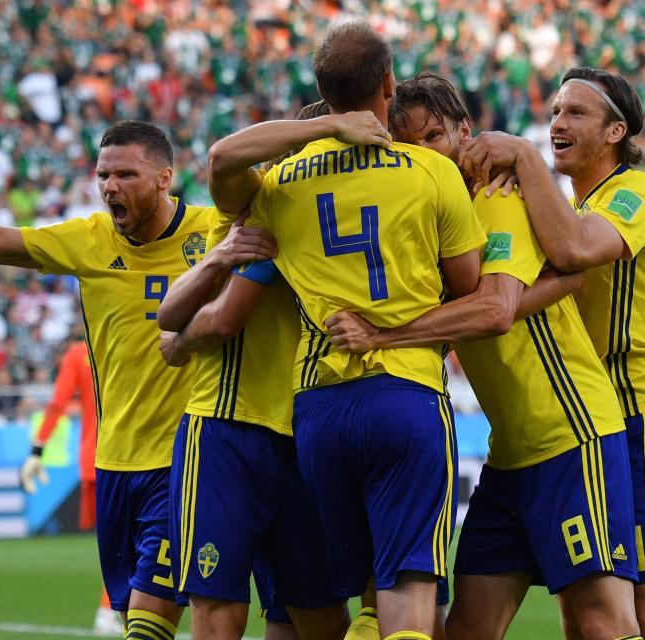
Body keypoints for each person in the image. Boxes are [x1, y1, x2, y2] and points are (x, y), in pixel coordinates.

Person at [326, 72, 642, 640]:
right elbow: (540, 289)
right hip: (509, 457)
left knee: (602, 622)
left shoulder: (496, 200)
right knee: (467, 628)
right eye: (408, 144)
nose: (424, 154)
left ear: (465, 132)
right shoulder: (428, 220)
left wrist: (381, 335)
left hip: (572, 435)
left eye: (434, 137)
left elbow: (495, 310)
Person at [0, 120, 275, 640]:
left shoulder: (213, 230)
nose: (109, 186)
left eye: (124, 174)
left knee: (149, 624)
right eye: (103, 175)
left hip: (187, 458)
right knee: (135, 621)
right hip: (116, 462)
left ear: (164, 178)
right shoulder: (87, 241)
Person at [242, 22, 487, 640]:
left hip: (318, 405)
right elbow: (468, 284)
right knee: (409, 597)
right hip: (404, 394)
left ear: (322, 92)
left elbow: (223, 162)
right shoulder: (431, 174)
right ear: (388, 84)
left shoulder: (281, 182)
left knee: (366, 604)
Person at [461, 67, 645, 640]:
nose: (557, 123)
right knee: (580, 614)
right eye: (554, 114)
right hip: (563, 423)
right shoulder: (560, 201)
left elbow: (574, 248)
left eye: (575, 113)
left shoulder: (637, 193)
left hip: (637, 417)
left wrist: (520, 154)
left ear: (617, 131)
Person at [157, 103, 388, 640]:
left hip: (302, 435)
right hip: (227, 428)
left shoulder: (314, 227)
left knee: (312, 615)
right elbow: (224, 160)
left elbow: (183, 326)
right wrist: (212, 275)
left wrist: (181, 339)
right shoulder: (257, 205)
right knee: (225, 612)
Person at [18, 333, 121, 636]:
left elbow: (58, 403)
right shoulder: (137, 336)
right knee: (143, 543)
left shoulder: (78, 353)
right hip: (141, 455)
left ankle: (112, 611)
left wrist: (37, 450)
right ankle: (110, 611)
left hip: (95, 460)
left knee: (118, 544)